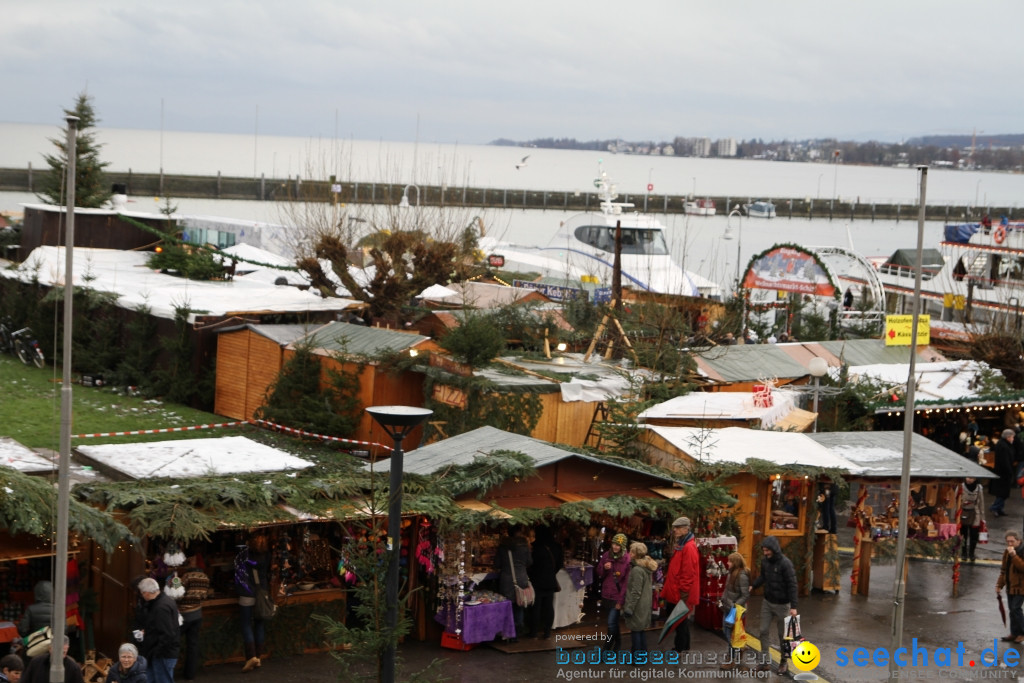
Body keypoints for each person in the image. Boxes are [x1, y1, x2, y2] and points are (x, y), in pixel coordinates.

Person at [751, 536, 798, 675]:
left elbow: (792, 585)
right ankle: (764, 662)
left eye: (767, 550)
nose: (765, 553)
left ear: (774, 549)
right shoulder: (765, 562)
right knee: (763, 630)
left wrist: (793, 606)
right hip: (767, 602)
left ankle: (784, 662)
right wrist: (753, 586)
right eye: (764, 551)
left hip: (783, 605)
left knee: (783, 635)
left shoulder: (786, 564)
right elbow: (763, 577)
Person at [661, 517, 699, 652]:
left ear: (685, 529)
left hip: (680, 591)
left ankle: (680, 648)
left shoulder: (688, 547)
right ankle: (685, 646)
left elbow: (688, 572)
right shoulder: (683, 543)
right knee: (681, 620)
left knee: (679, 621)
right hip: (677, 589)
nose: (674, 530)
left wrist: (683, 593)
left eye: (677, 528)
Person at [235, 535, 270, 672]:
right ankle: (259, 657)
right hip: (262, 593)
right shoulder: (267, 556)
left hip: (247, 592)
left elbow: (238, 568)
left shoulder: (245, 555)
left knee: (246, 624)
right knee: (259, 624)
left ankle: (251, 657)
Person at [135, 577, 180, 683]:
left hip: (163, 654)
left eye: (142, 593)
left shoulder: (160, 607)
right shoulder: (165, 601)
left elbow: (167, 634)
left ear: (146, 593)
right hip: (162, 652)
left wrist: (156, 652)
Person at [496, 525, 533, 642]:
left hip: (507, 579)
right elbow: (529, 562)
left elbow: (497, 563)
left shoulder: (503, 546)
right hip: (522, 577)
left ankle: (508, 633)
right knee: (520, 603)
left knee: (508, 605)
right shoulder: (525, 546)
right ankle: (517, 630)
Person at [596, 533, 631, 651]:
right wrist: (604, 568)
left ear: (623, 546)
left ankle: (605, 651)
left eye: (618, 545)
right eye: (614, 544)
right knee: (614, 623)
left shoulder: (627, 560)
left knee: (611, 624)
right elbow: (599, 572)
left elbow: (626, 583)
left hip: (617, 595)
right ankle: (618, 645)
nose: (616, 547)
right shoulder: (607, 555)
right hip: (607, 593)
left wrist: (621, 601)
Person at [176, 560, 210, 680]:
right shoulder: (205, 578)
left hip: (184, 614)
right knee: (193, 645)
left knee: (174, 642)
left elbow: (178, 595)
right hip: (197, 614)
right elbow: (205, 596)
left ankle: (170, 670)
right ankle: (190, 674)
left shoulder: (186, 577)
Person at [527, 525, 563, 640]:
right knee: (549, 607)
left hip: (537, 580)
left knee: (536, 607)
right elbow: (560, 564)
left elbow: (530, 564)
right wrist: (551, 572)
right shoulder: (557, 546)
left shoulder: (535, 547)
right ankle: (547, 632)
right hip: (550, 580)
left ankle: (534, 632)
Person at [622, 542, 657, 657]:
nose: (629, 553)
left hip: (638, 606)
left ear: (636, 554)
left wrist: (629, 608)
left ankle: (637, 658)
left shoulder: (637, 570)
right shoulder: (645, 566)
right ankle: (642, 656)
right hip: (644, 604)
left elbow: (636, 591)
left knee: (636, 631)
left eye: (631, 551)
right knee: (640, 630)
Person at [719, 552, 750, 670]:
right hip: (728, 607)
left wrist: (734, 606)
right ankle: (738, 649)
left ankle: (732, 658)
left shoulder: (741, 576)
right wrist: (723, 601)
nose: (727, 563)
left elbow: (745, 595)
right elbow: (727, 590)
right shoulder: (731, 573)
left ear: (735, 563)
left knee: (729, 633)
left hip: (734, 609)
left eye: (729, 561)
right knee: (727, 630)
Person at [997, 531, 1024, 644]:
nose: (1010, 543)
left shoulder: (1021, 551)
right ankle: (1014, 633)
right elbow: (1004, 570)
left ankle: (1022, 633)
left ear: (1019, 541)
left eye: (1012, 541)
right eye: (1008, 541)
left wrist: (1014, 555)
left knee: (1015, 609)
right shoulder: (1007, 552)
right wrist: (999, 585)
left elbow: (1022, 567)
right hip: (1010, 585)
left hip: (1021, 586)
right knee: (1011, 610)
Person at [990, 429, 1016, 517]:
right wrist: (1010, 471)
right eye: (1012, 437)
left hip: (1002, 472)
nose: (1013, 439)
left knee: (1002, 493)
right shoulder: (1003, 446)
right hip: (1003, 473)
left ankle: (999, 508)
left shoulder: (1003, 444)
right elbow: (1005, 461)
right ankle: (995, 507)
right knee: (1003, 493)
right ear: (1008, 437)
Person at [960, 477, 986, 563]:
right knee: (963, 534)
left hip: (975, 513)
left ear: (975, 479)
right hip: (963, 512)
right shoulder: (961, 486)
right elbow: (956, 501)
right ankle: (963, 552)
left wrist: (982, 518)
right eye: (967, 477)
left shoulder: (979, 488)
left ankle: (972, 553)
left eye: (971, 478)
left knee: (974, 535)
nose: (969, 479)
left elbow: (981, 503)